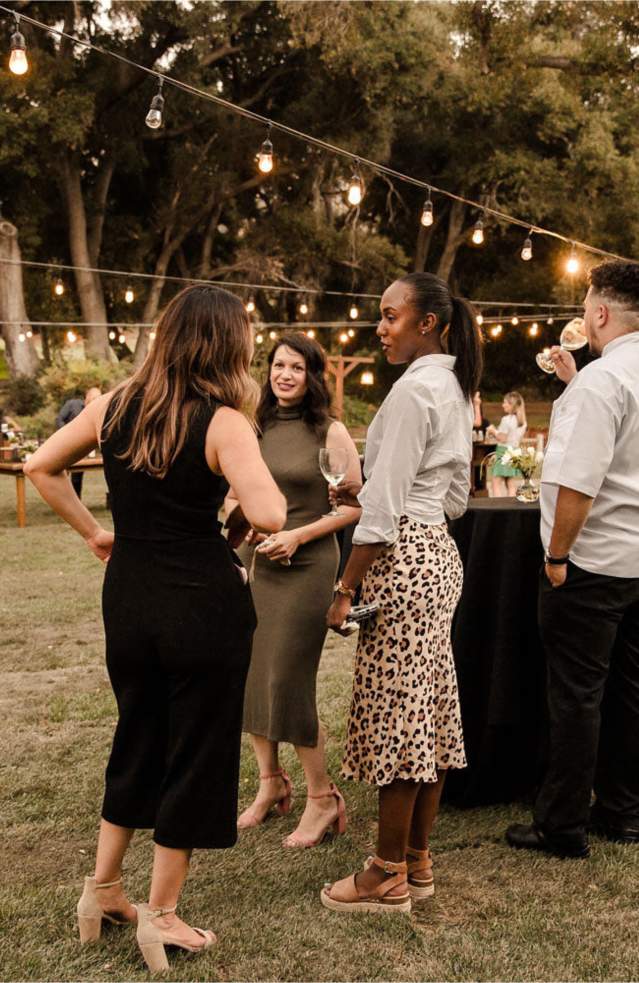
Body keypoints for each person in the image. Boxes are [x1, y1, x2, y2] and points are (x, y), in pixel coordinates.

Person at [24, 285, 286, 971]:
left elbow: (39, 466)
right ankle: (162, 915)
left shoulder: (113, 405)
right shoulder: (224, 421)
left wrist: (94, 532)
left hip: (130, 595)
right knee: (196, 749)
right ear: (230, 343)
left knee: (138, 732)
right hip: (200, 599)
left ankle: (102, 888)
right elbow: (270, 514)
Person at [320, 271, 482, 914]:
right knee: (430, 715)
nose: (379, 328)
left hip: (403, 562)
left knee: (400, 720)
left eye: (390, 317)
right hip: (438, 551)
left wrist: (344, 587)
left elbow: (383, 514)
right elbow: (452, 499)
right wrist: (376, 497)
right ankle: (416, 861)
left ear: (428, 324)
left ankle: (384, 873)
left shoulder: (416, 392)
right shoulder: (453, 386)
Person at [506, 260, 639, 858]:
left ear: (602, 313)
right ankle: (625, 810)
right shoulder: (601, 379)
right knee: (631, 692)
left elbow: (580, 484)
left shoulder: (603, 383)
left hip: (593, 565)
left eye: (587, 306)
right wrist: (573, 382)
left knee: (577, 695)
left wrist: (557, 556)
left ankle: (561, 825)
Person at [225, 332, 361, 848]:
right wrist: (252, 525)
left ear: (312, 376)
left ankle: (322, 797)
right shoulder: (250, 428)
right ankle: (270, 785)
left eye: (297, 368)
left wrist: (297, 534)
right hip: (256, 563)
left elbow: (353, 507)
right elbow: (237, 497)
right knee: (253, 675)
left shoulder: (330, 431)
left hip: (307, 564)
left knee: (288, 679)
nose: (285, 375)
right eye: (279, 365)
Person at [56, 387, 102, 498]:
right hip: (65, 444)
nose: (97, 401)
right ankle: (62, 499)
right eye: (94, 398)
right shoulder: (72, 404)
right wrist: (67, 433)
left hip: (82, 448)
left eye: (99, 398)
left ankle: (77, 499)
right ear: (87, 397)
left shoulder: (96, 412)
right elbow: (59, 419)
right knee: (62, 474)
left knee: (77, 475)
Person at [486, 391, 527, 496]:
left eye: (505, 403)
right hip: (514, 452)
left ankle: (498, 508)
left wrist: (493, 431)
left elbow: (503, 438)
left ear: (512, 405)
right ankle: (510, 507)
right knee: (511, 482)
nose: (502, 405)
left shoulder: (506, 419)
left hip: (503, 452)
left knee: (496, 482)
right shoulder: (522, 422)